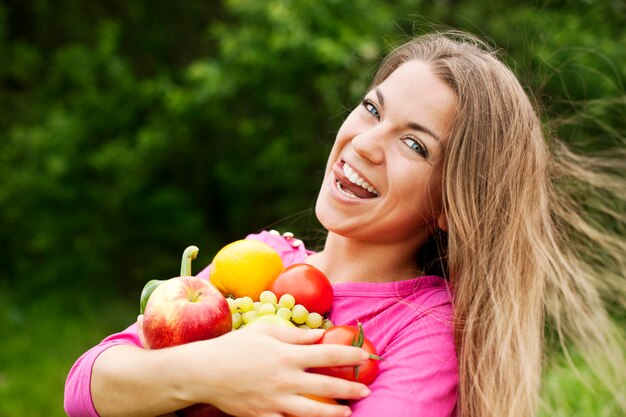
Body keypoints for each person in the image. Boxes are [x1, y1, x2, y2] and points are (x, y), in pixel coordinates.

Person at [64, 30, 626, 417]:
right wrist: (216, 370)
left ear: (453, 204)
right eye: (373, 109)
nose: (366, 142)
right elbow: (86, 387)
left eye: (413, 143)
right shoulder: (257, 260)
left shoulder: (424, 328)